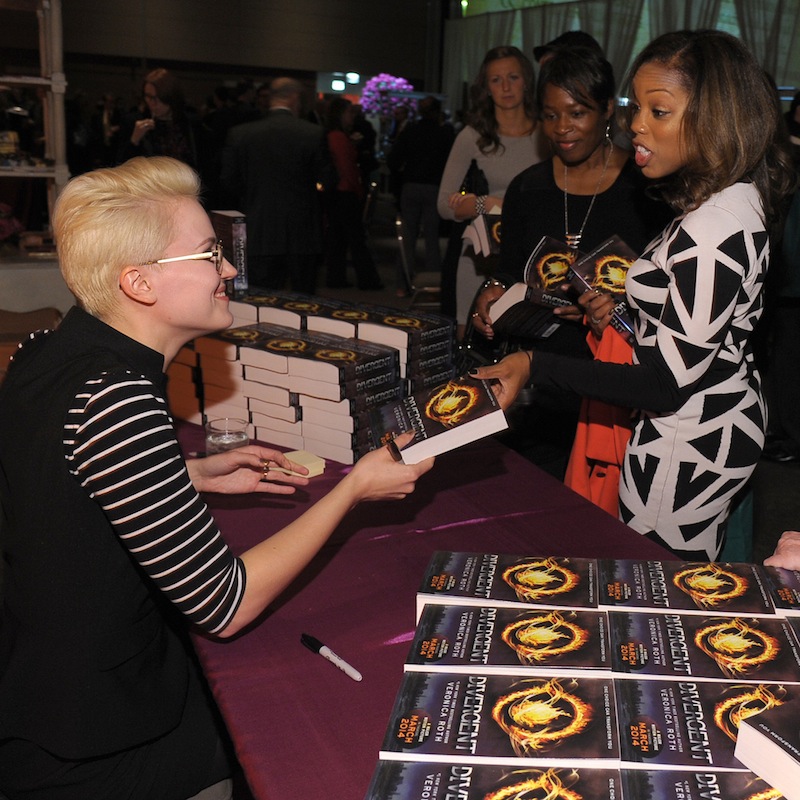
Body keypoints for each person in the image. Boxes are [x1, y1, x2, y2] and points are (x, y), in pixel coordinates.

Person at [0, 156, 432, 799]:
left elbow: (52, 479)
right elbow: (225, 605)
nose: (229, 270)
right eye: (209, 254)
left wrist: (187, 472)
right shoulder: (119, 400)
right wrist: (353, 490)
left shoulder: (48, 348)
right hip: (90, 738)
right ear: (139, 283)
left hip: (33, 680)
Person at [473, 30, 796, 560]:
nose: (636, 124)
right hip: (712, 416)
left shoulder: (711, 230)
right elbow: (695, 325)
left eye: (659, 111)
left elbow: (663, 384)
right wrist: (627, 313)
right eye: (636, 107)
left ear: (714, 116)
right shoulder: (732, 199)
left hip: (689, 437)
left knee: (658, 585)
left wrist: (534, 365)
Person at [471, 45, 671, 485]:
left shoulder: (646, 191)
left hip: (615, 385)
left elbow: (669, 298)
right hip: (535, 384)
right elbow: (510, 270)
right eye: (550, 115)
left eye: (577, 113)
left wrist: (615, 312)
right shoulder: (528, 188)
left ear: (607, 110)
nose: (562, 128)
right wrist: (491, 292)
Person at [437, 45, 544, 332]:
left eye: (513, 77)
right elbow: (444, 205)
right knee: (470, 343)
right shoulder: (472, 136)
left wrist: (498, 205)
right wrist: (487, 203)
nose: (506, 87)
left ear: (527, 81)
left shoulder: (548, 133)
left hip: (533, 257)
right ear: (486, 88)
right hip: (482, 257)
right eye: (496, 80)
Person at [221, 76, 334, 293]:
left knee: (260, 298)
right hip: (302, 230)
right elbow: (328, 180)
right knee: (304, 298)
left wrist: (252, 197)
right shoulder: (312, 133)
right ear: (295, 98)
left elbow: (228, 180)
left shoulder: (241, 134)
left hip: (259, 227)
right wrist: (312, 192)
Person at [388, 95, 455, 294]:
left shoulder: (411, 131)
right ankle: (433, 284)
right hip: (433, 187)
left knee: (408, 236)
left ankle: (403, 283)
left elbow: (394, 159)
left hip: (411, 185)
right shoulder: (444, 133)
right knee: (432, 237)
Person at [323, 96, 384, 290]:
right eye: (349, 112)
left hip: (339, 192)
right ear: (340, 114)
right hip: (345, 192)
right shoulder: (338, 137)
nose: (352, 116)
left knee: (339, 238)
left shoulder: (337, 135)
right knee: (355, 238)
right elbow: (347, 169)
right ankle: (367, 280)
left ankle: (336, 278)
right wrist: (358, 191)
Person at [118, 68, 211, 188]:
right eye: (148, 97)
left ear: (170, 98)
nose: (152, 103)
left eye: (158, 98)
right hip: (150, 191)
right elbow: (120, 168)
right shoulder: (134, 122)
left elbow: (205, 163)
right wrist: (134, 141)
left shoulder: (191, 123)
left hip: (187, 189)